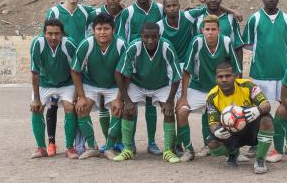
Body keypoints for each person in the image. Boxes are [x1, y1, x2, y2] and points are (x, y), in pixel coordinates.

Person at [242, 0, 287, 161]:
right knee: (257, 110)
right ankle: (255, 144)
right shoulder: (254, 18)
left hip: (283, 73)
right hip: (260, 73)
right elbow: (248, 44)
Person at [176, 15, 242, 162]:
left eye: (213, 29)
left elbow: (236, 70)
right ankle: (189, 149)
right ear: (202, 30)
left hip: (220, 90)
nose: (210, 32)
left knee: (233, 115)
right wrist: (183, 97)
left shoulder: (226, 41)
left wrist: (234, 95)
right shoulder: (197, 42)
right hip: (198, 87)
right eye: (207, 29)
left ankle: (234, 150)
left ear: (219, 30)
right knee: (181, 111)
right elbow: (186, 71)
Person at [113, 23, 182, 164]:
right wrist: (127, 100)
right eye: (146, 37)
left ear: (159, 36)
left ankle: (168, 151)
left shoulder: (166, 47)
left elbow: (176, 77)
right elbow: (118, 73)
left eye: (154, 37)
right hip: (138, 84)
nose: (150, 41)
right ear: (141, 36)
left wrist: (169, 101)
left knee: (169, 112)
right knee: (128, 110)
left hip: (161, 85)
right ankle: (128, 149)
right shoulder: (134, 46)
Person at [42, 0, 96, 156]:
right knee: (53, 104)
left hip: (78, 64)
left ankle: (76, 144)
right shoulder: (54, 11)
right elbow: (46, 36)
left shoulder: (86, 11)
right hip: (59, 63)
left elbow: (105, 14)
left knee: (74, 105)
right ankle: (51, 143)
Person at [70, 13, 126, 159]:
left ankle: (109, 147)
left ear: (113, 30)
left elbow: (126, 73)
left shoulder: (121, 44)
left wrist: (120, 98)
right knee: (81, 108)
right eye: (99, 29)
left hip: (114, 85)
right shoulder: (87, 44)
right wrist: (81, 97)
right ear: (93, 30)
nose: (102, 32)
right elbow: (75, 70)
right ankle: (92, 147)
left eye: (106, 29)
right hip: (91, 84)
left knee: (117, 109)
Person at [118, 0, 164, 155]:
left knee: (151, 104)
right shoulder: (128, 12)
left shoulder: (159, 9)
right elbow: (121, 38)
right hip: (134, 63)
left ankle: (151, 142)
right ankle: (130, 143)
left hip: (153, 62)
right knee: (132, 105)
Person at [206, 61, 274, 174]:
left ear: (235, 76)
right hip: (230, 132)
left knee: (266, 120)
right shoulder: (212, 96)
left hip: (251, 128)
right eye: (220, 77)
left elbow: (266, 105)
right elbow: (213, 123)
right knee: (212, 145)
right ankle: (233, 153)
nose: (224, 79)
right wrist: (216, 131)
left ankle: (260, 160)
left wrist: (258, 110)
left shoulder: (248, 85)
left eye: (228, 76)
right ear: (216, 79)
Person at [29, 18, 78, 159]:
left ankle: (70, 148)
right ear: (44, 33)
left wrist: (78, 94)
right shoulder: (37, 44)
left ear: (62, 34)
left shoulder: (69, 44)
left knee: (69, 107)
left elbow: (75, 70)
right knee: (37, 108)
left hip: (66, 83)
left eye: (57, 34)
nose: (53, 37)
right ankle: (41, 148)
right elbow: (35, 72)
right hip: (45, 83)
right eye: (49, 33)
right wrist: (36, 99)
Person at [90, 0, 126, 153]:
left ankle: (122, 141)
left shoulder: (127, 12)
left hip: (121, 57)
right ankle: (108, 141)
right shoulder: (95, 14)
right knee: (103, 105)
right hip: (101, 61)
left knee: (121, 106)